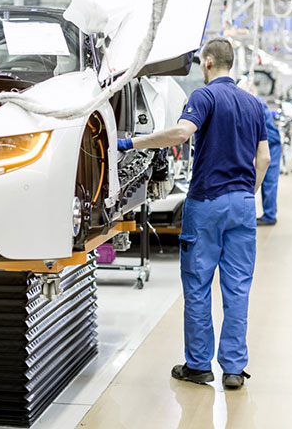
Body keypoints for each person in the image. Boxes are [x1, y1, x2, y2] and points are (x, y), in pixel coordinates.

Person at [117, 37, 270, 390]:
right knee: (238, 287)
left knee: (199, 286)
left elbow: (183, 133)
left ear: (207, 63)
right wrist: (249, 193)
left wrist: (132, 142)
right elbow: (263, 158)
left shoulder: (204, 97)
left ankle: (199, 366)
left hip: (207, 204)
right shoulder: (253, 104)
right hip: (243, 205)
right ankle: (233, 369)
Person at [257, 98, 282, 225]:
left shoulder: (256, 103)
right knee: (268, 181)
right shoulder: (257, 102)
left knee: (269, 182)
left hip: (272, 145)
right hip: (269, 144)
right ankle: (269, 213)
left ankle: (269, 215)